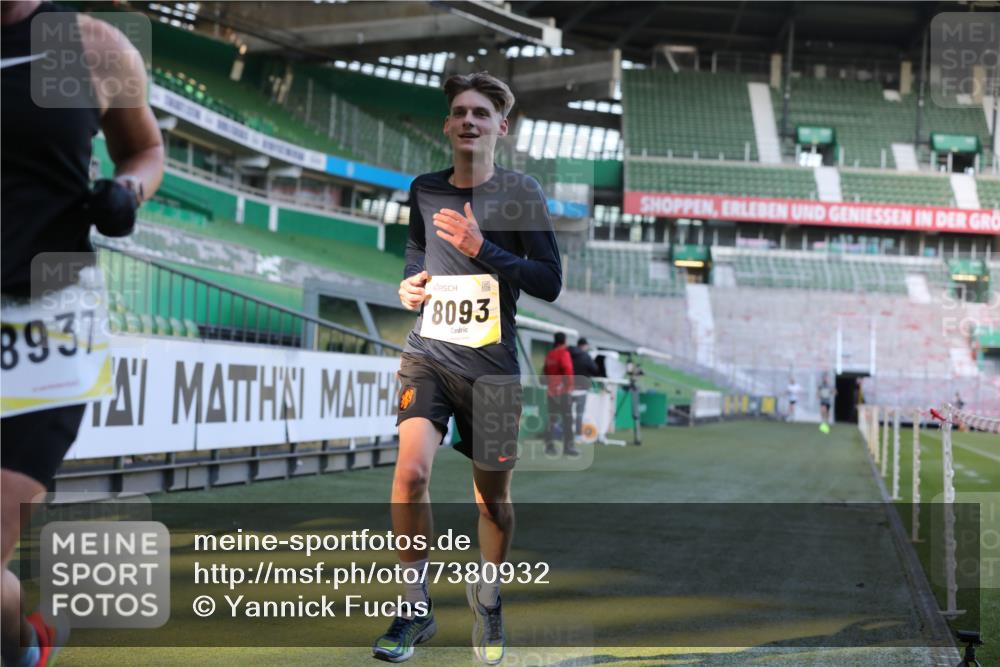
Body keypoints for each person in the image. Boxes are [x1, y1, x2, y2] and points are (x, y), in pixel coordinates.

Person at [375, 71, 561, 664]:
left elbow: (550, 282)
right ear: (447, 123)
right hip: (427, 352)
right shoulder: (425, 188)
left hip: (494, 366)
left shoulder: (522, 192)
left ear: (500, 127)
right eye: (459, 111)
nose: (468, 121)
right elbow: (414, 247)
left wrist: (485, 249)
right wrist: (409, 283)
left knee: (493, 502)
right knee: (410, 474)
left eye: (481, 113)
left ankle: (487, 592)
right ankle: (413, 606)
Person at [1, 3, 164, 666]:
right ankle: (24, 643)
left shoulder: (91, 46)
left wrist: (128, 189)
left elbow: (146, 149)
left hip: (45, 333)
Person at [543, 331, 578, 457]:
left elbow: (545, 371)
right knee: (568, 420)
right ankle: (568, 448)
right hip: (563, 391)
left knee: (552, 419)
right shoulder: (564, 353)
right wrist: (570, 386)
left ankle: (549, 446)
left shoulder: (550, 354)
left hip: (551, 391)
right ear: (565, 341)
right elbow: (567, 370)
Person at [567, 337, 598, 438]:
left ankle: (565, 434)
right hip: (581, 389)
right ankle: (577, 435)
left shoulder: (568, 353)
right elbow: (595, 370)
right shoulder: (586, 356)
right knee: (579, 413)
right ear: (585, 345)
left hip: (568, 387)